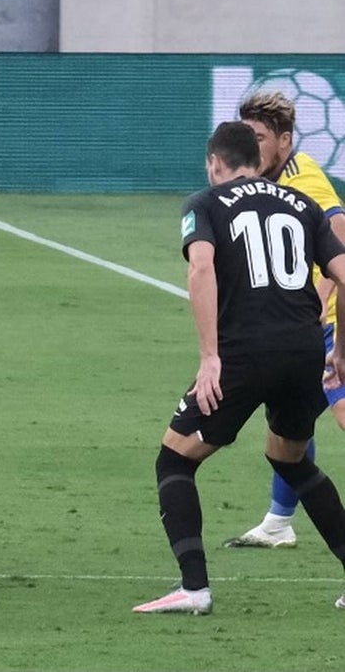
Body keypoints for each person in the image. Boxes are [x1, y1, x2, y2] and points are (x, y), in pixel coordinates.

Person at [133, 121, 345, 614]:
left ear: (215, 163)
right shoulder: (301, 203)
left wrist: (210, 358)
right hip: (304, 349)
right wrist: (340, 353)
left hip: (245, 355)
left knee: (174, 460)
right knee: (289, 458)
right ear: (258, 158)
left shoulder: (205, 203)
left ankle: (194, 589)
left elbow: (201, 267)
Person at [224, 91, 345, 549]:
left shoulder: (303, 179)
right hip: (305, 329)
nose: (251, 145)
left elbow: (341, 237)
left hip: (330, 324)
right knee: (289, 423)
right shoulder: (270, 179)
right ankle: (279, 522)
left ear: (285, 140)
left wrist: (317, 308)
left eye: (260, 137)